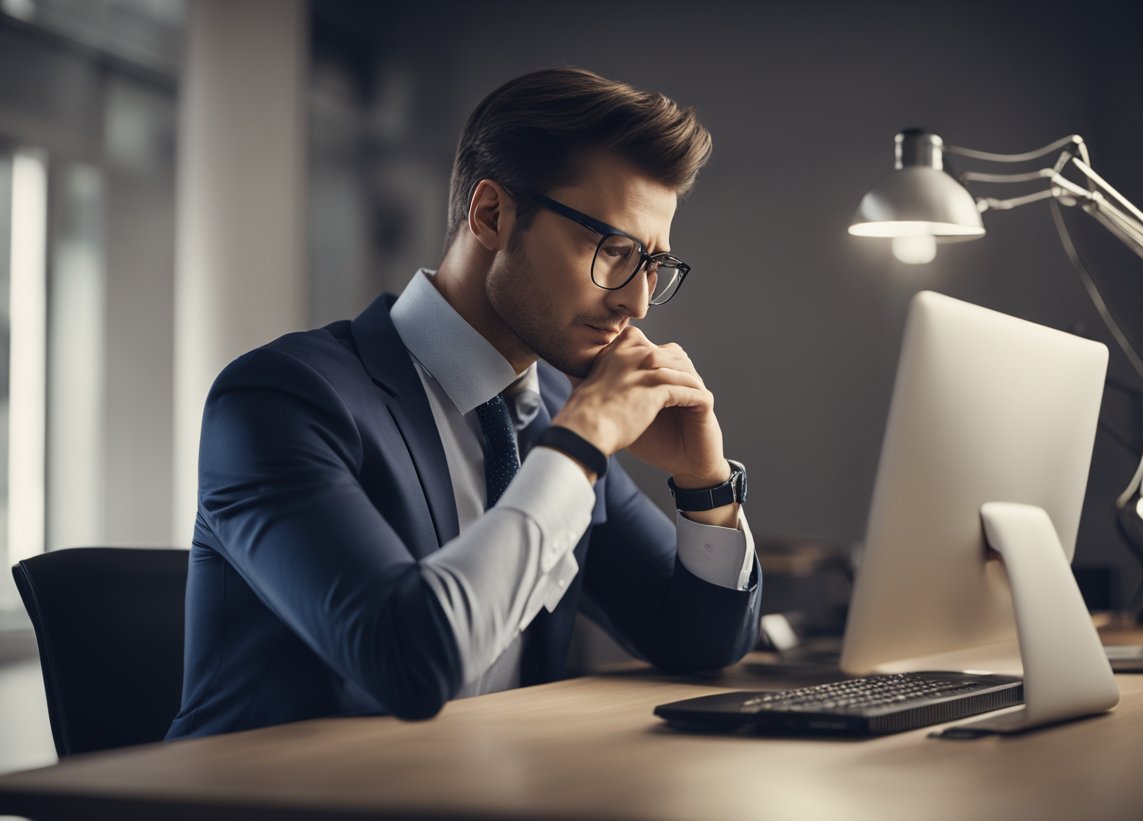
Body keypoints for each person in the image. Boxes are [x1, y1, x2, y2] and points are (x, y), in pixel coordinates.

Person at [166, 67, 761, 739]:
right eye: (612, 249)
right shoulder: (280, 400)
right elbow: (406, 660)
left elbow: (701, 641)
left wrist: (705, 486)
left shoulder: (559, 412)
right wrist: (580, 444)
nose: (636, 301)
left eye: (652, 264)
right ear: (491, 215)